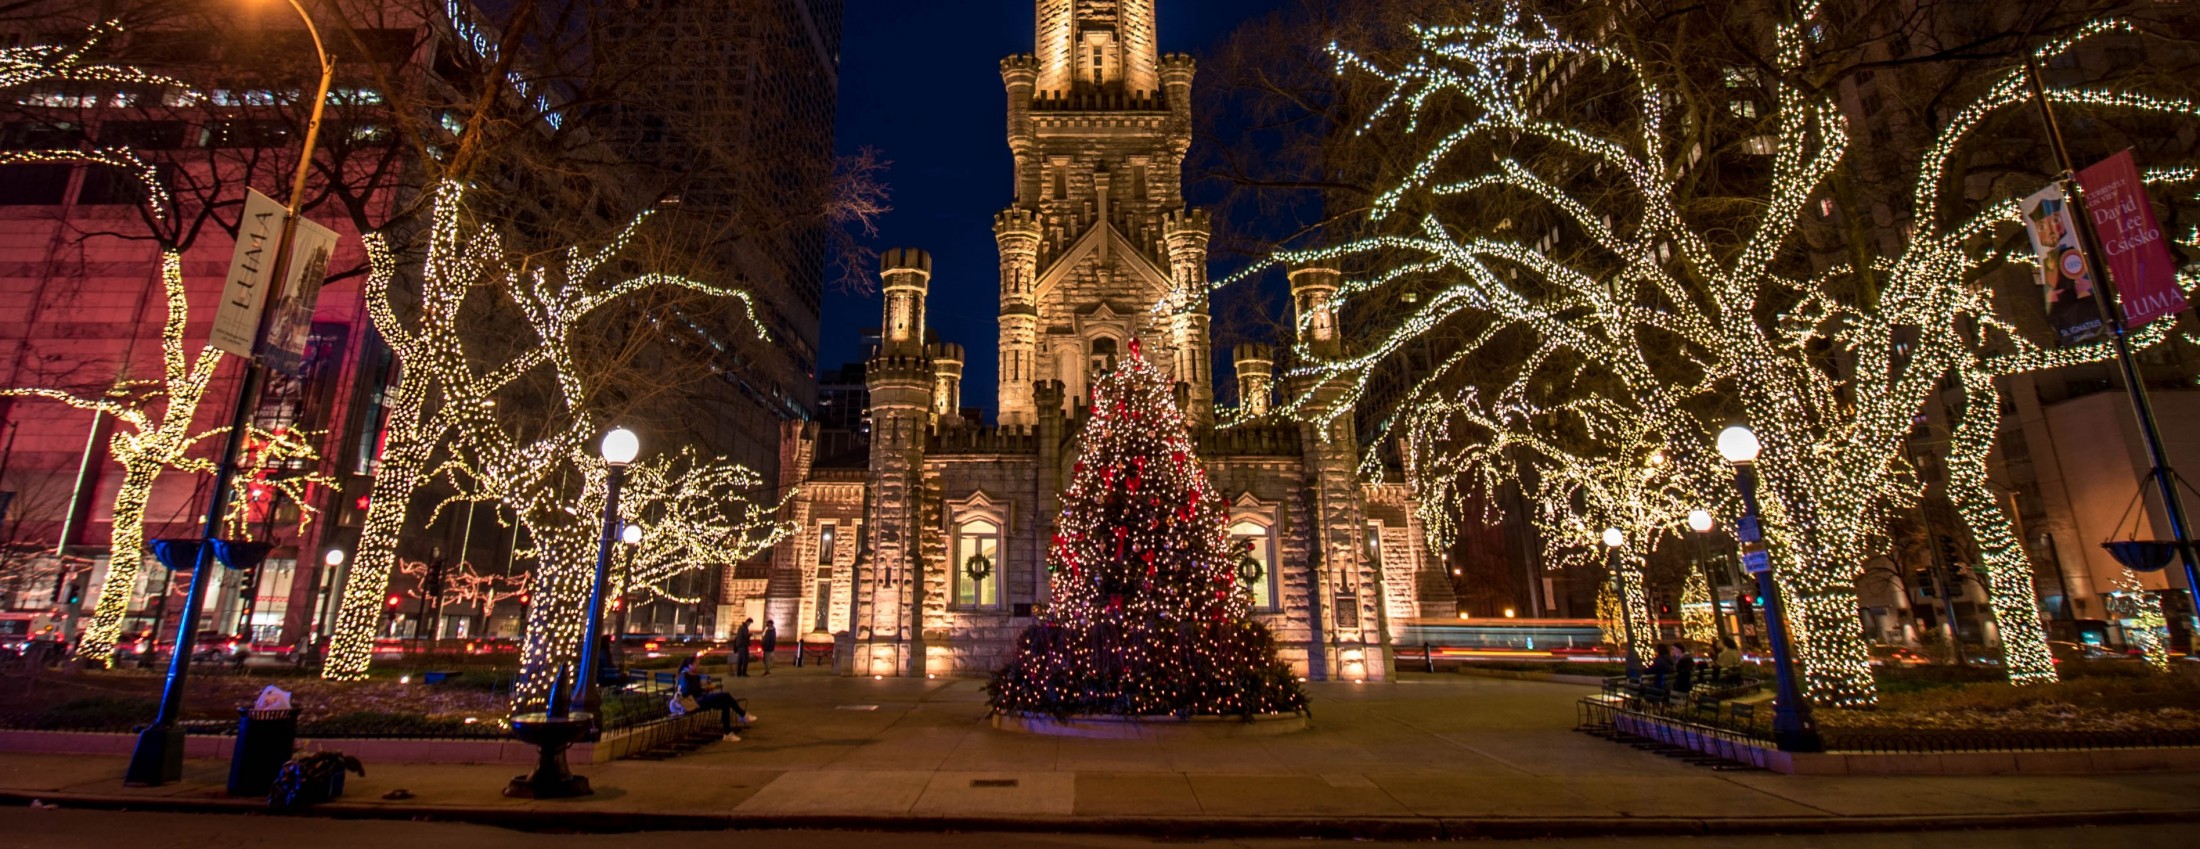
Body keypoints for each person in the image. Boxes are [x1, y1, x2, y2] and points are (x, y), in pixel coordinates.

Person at [677, 655, 744, 741]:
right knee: (725, 695)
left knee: (725, 704)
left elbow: (697, 691)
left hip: (699, 700)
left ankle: (727, 733)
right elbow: (685, 692)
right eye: (696, 663)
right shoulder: (684, 676)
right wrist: (700, 688)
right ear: (689, 665)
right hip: (693, 703)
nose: (698, 665)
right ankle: (742, 714)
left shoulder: (693, 675)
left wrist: (706, 688)